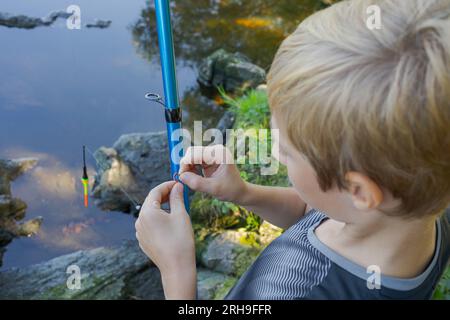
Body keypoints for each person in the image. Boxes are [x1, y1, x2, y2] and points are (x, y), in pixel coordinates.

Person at [135, 0, 450, 299]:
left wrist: (177, 271)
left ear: (359, 190)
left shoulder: (289, 291)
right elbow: (312, 213)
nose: (276, 156)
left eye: (285, 149)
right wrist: (243, 193)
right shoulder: (423, 204)